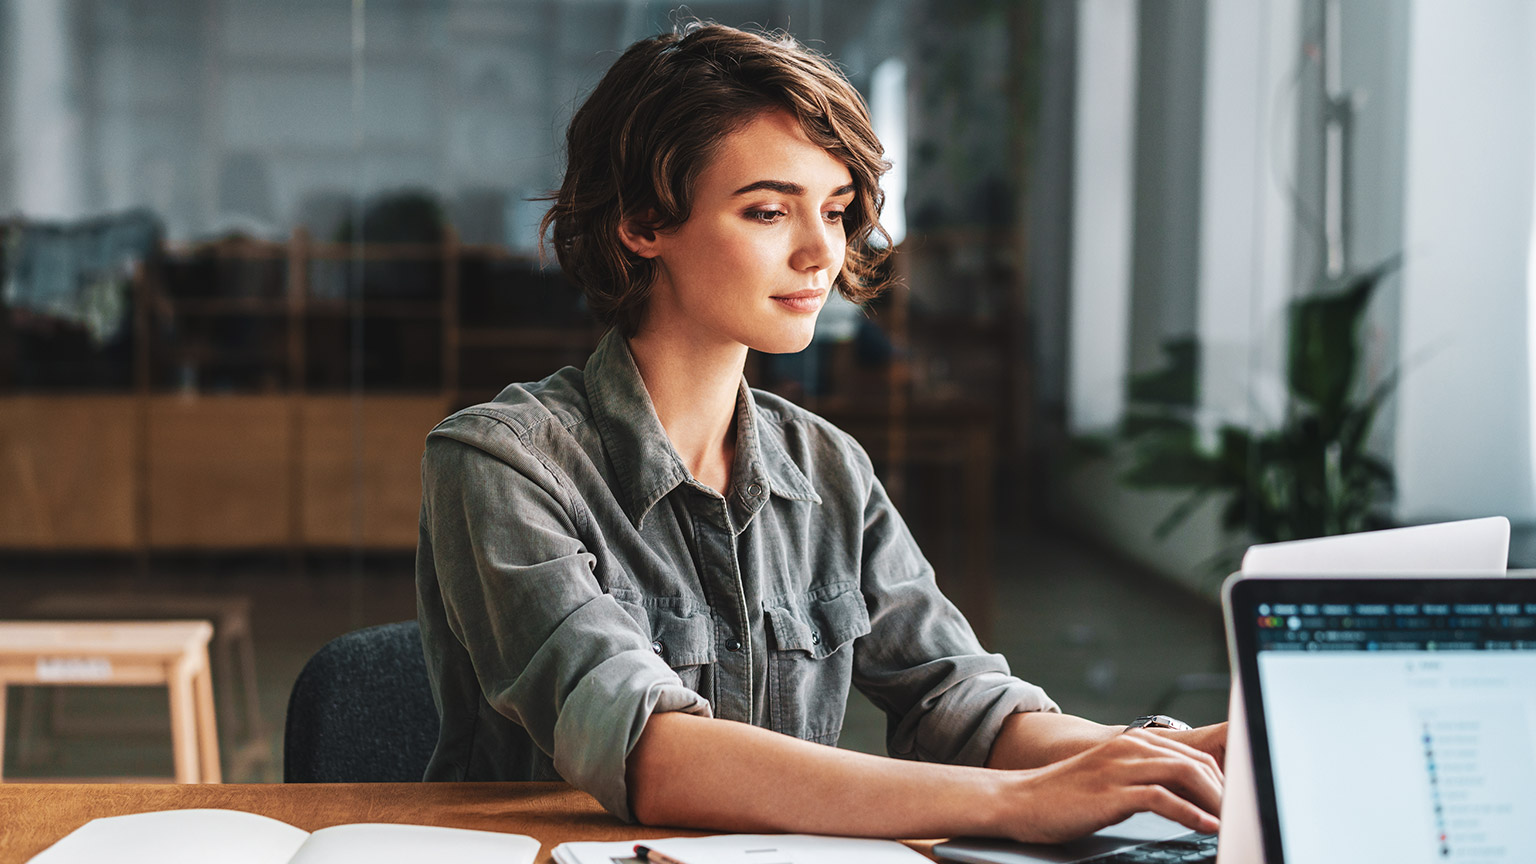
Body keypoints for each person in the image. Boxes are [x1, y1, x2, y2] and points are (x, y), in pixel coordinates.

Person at [415, 21, 1227, 844]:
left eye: (835, 211)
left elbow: (962, 704)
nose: (821, 254)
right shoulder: (500, 462)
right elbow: (652, 753)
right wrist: (1021, 803)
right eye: (769, 210)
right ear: (642, 222)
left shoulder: (829, 466)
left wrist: (1170, 760)